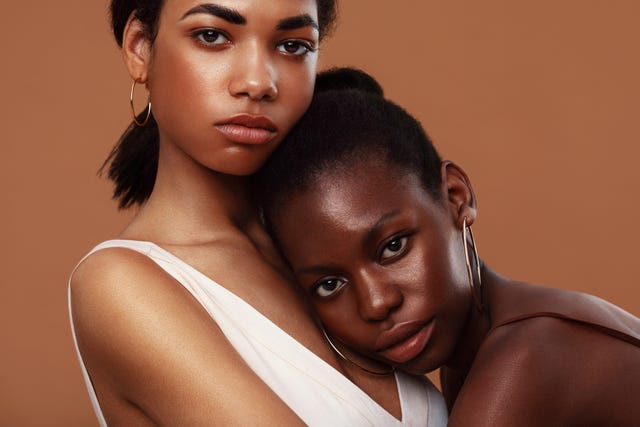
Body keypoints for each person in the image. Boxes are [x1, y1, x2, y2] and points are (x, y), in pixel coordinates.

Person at [68, 2, 448, 426]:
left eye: (292, 45)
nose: (257, 82)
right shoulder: (120, 284)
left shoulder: (327, 249)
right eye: (213, 36)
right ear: (140, 48)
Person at [256, 67, 640, 426]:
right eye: (330, 285)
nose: (375, 304)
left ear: (456, 196)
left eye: (393, 247)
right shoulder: (484, 350)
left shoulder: (523, 361)